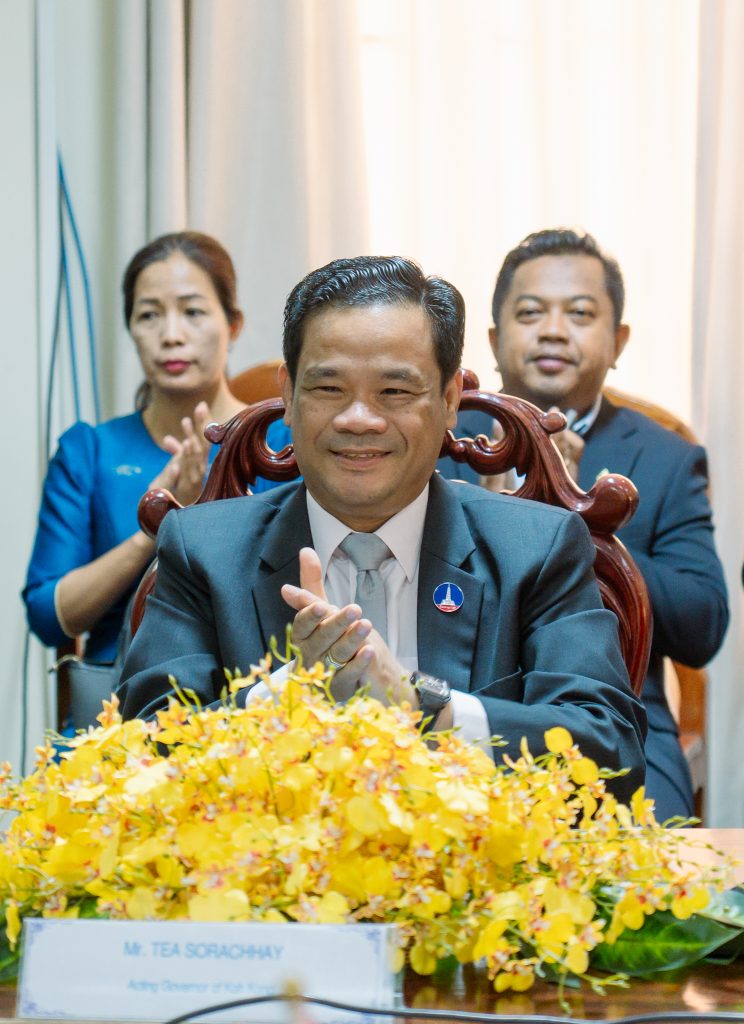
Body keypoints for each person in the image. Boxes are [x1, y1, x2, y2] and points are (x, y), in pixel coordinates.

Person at [118, 254, 646, 802]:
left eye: (394, 392)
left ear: (448, 401)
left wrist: (423, 706)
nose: (359, 420)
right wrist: (284, 696)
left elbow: (610, 753)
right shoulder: (203, 549)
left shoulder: (536, 548)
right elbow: (141, 755)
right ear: (289, 397)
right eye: (328, 389)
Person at [486, 228, 729, 820]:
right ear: (494, 339)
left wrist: (580, 526)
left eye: (580, 313)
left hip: (621, 726)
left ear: (618, 341)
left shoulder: (666, 458)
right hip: (464, 715)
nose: (553, 330)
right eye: (530, 312)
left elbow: (702, 625)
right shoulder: (439, 439)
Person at [23, 230, 275, 669]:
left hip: (258, 689)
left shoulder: (279, 443)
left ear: (233, 325)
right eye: (149, 315)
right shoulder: (89, 451)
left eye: (193, 312)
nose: (171, 335)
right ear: (132, 330)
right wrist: (154, 529)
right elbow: (49, 617)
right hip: (118, 694)